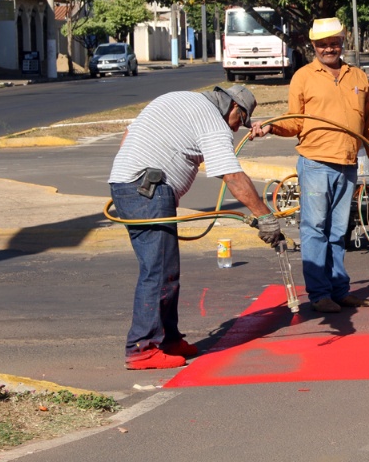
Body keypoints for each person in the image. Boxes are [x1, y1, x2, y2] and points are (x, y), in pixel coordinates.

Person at [109, 85, 284, 370]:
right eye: (241, 121)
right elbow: (231, 174)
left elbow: (130, 136)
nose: (238, 129)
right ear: (233, 108)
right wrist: (264, 216)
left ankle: (168, 339)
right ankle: (142, 347)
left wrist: (128, 179)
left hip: (133, 184)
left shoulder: (178, 98)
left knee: (166, 269)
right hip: (149, 190)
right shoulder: (212, 121)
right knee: (158, 271)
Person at [260, 17, 369, 313]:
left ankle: (339, 290)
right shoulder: (303, 77)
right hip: (316, 163)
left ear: (342, 43)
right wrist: (271, 127)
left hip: (347, 164)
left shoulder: (358, 77)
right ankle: (319, 295)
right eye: (322, 44)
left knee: (338, 231)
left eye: (334, 43)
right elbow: (294, 121)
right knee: (315, 228)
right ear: (314, 46)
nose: (328, 49)